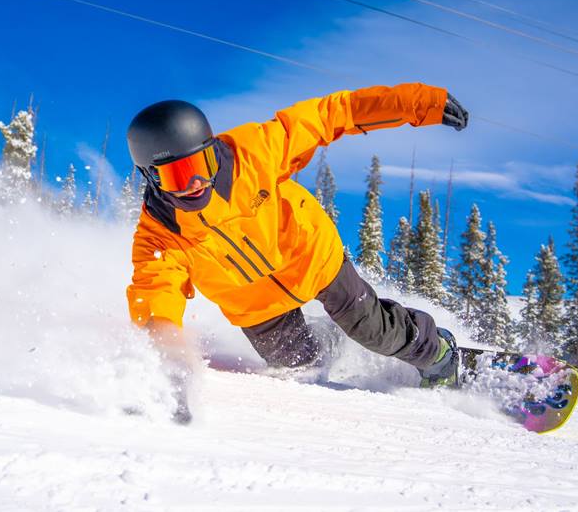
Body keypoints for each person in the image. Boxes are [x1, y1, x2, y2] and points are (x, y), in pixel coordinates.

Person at [125, 84, 469, 422]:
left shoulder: (254, 152)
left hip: (310, 256)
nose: (195, 182)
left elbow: (332, 113)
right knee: (299, 366)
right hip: (254, 304)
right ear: (151, 177)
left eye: (201, 164)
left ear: (213, 150)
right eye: (177, 176)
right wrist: (170, 361)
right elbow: (157, 301)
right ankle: (331, 337)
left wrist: (421, 103)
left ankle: (438, 352)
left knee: (371, 330)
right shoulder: (160, 234)